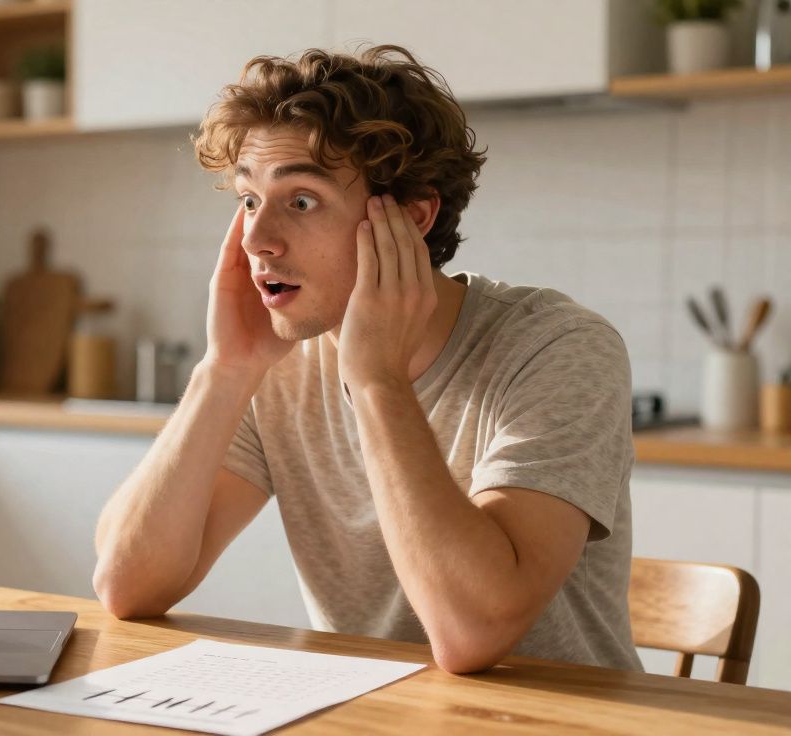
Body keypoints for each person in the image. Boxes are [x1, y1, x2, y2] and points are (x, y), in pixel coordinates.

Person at [91, 46, 642, 674]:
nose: (255, 239)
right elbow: (127, 585)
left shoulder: (558, 348)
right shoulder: (283, 362)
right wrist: (226, 368)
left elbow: (472, 635)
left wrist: (377, 381)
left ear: (412, 217)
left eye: (301, 201)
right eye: (248, 200)